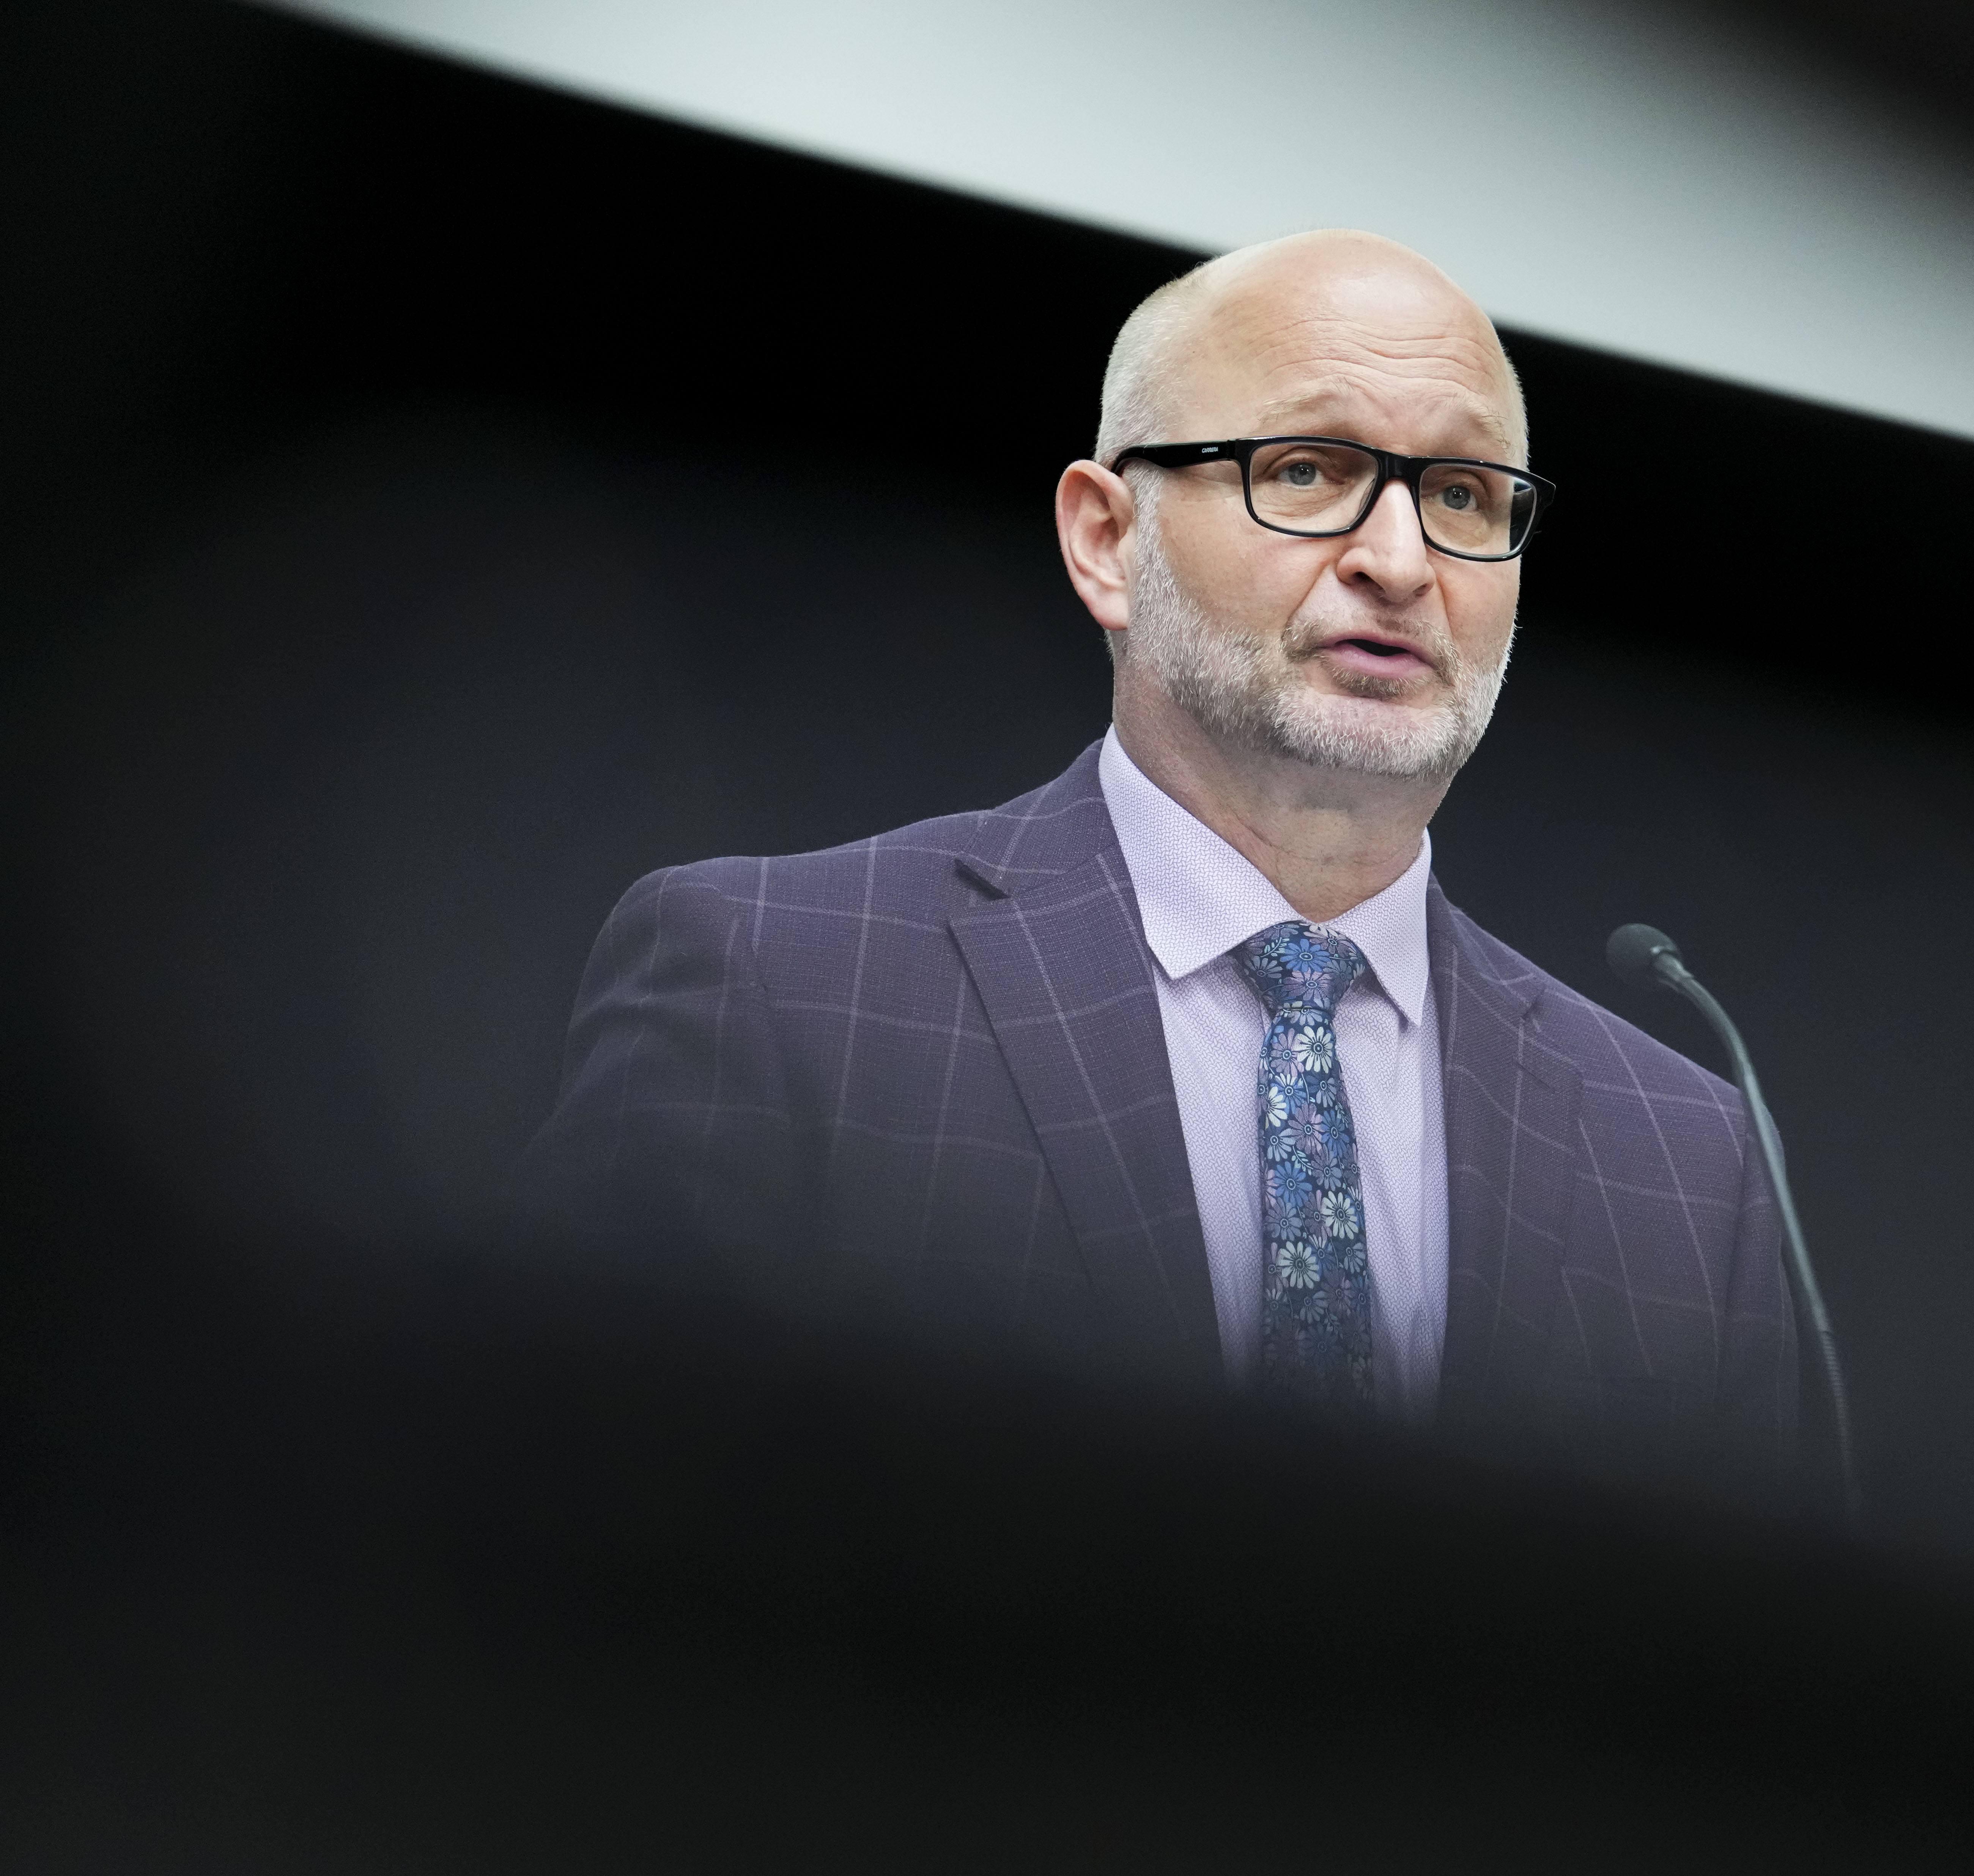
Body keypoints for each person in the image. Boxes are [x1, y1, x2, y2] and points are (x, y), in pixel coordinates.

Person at [529, 230, 1795, 1482]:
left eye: (1463, 496)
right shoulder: (777, 986)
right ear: (1104, 541)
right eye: (1307, 469)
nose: (1401, 562)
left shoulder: (1687, 1154)